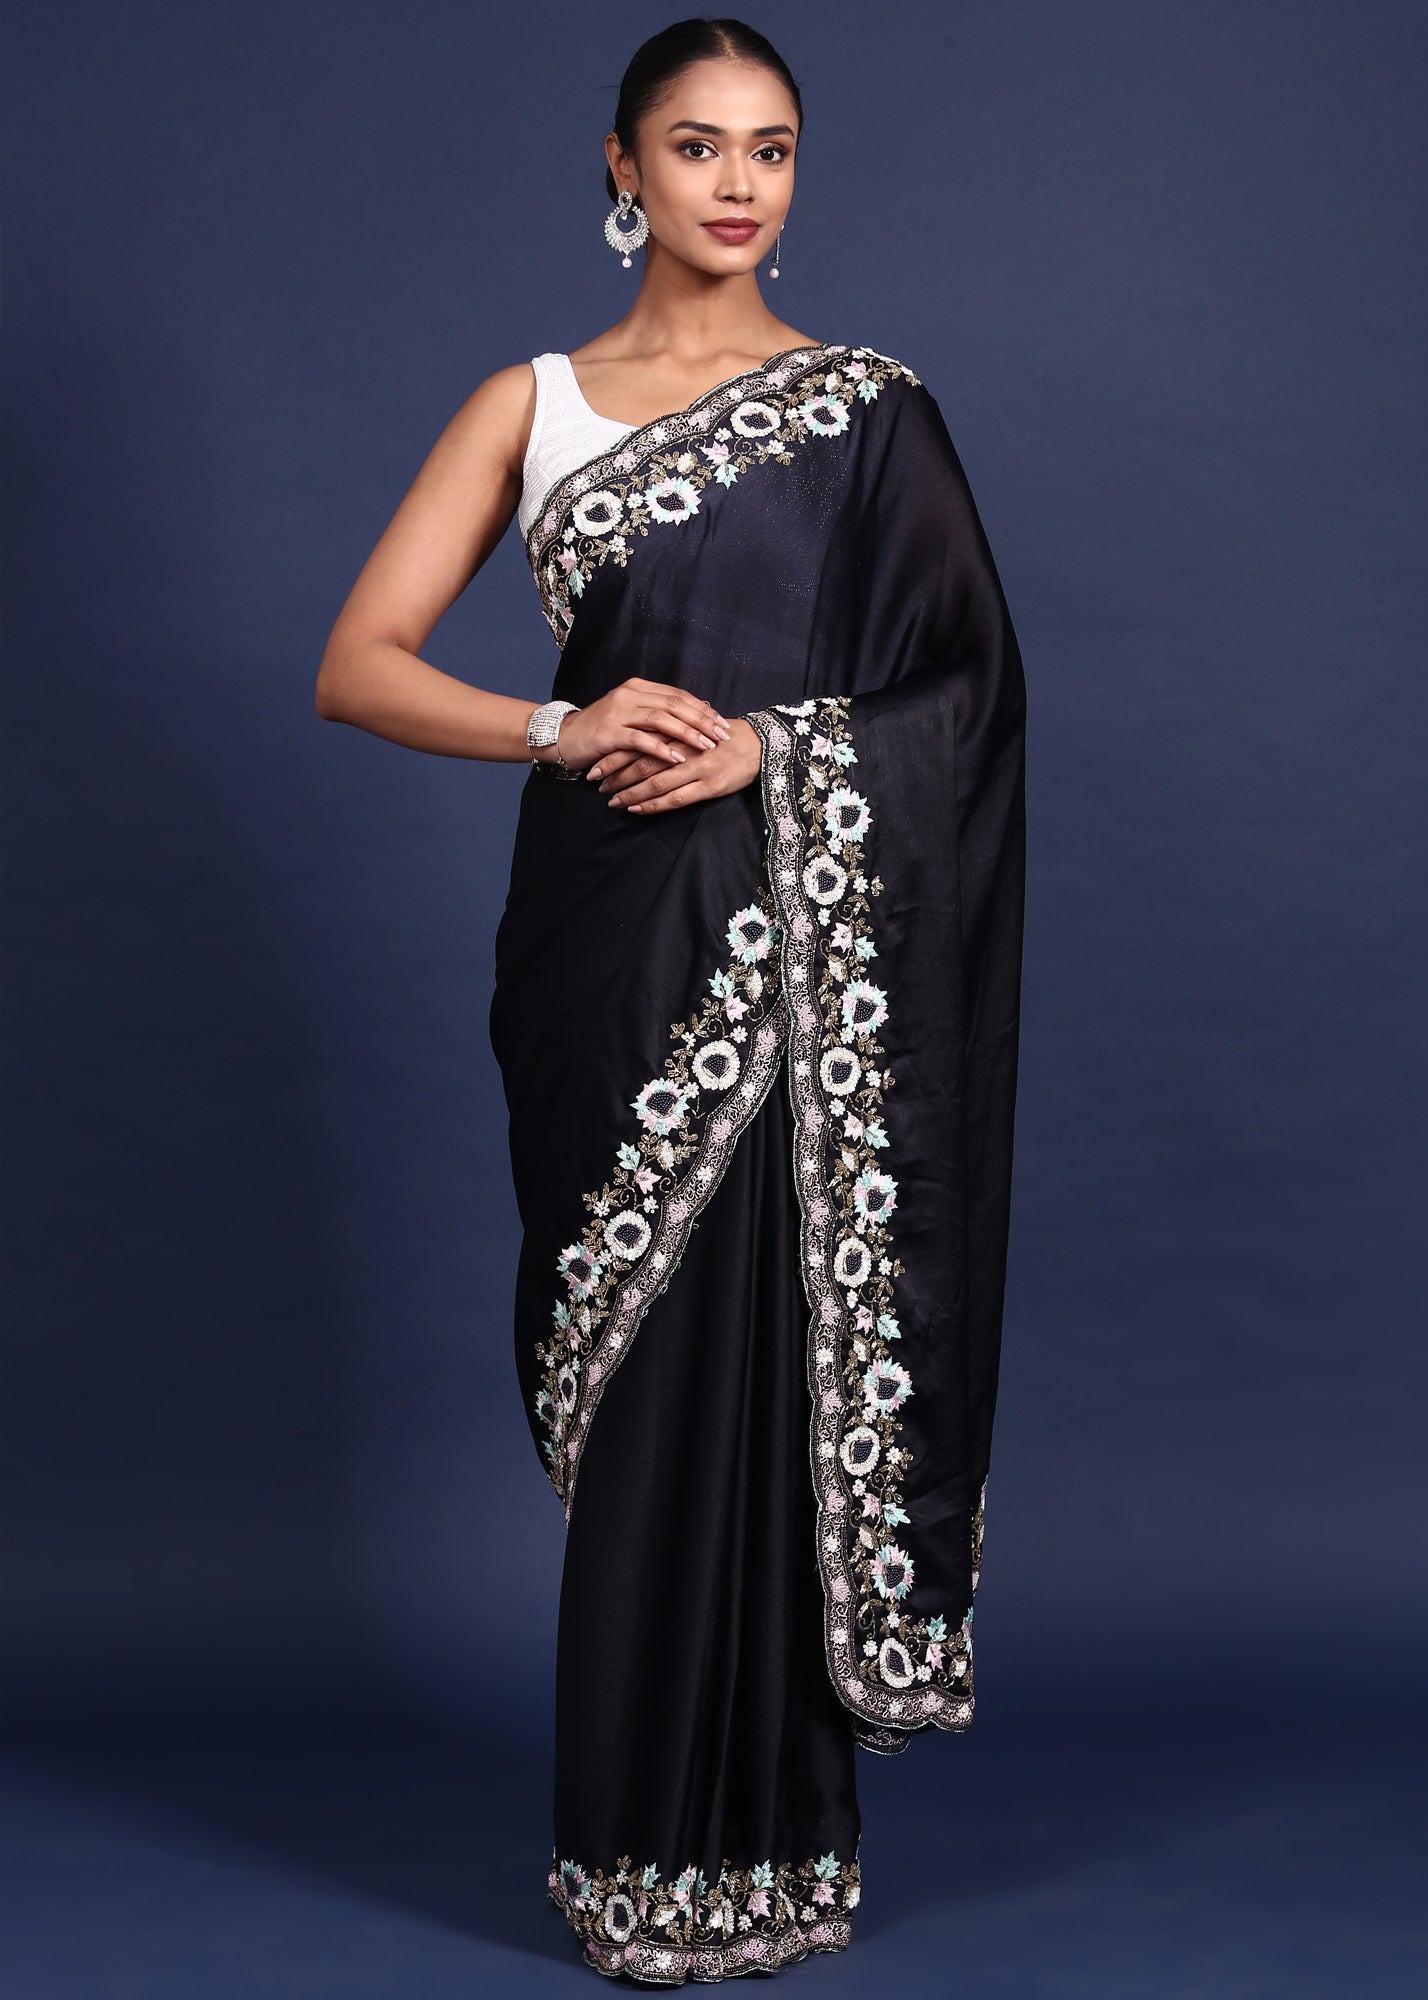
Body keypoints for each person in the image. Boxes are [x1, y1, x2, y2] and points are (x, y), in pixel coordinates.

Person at [315, 16, 1026, 1985]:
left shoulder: (873, 412)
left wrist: (776, 751)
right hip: (605, 943)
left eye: (771, 148)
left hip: (801, 953)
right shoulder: (532, 401)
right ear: (622, 167)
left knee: (774, 1363)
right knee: (642, 1388)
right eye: (699, 145)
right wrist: (562, 721)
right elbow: (362, 663)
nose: (738, 184)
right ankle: (634, 1846)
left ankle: (772, 1847)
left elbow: (967, 697)